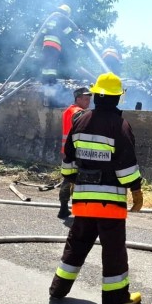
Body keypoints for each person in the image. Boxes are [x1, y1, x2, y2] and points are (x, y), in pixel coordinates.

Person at [49, 72, 144, 304]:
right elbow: (127, 165)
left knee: (76, 244)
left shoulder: (80, 121)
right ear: (117, 98)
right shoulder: (120, 126)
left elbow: (68, 157)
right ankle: (115, 297)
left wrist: (71, 180)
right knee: (113, 250)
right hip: (110, 203)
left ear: (95, 95)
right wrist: (136, 190)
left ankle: (58, 289)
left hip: (82, 200)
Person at [57, 86, 92, 218]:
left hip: (66, 152)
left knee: (67, 179)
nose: (88, 101)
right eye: (85, 99)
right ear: (78, 99)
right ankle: (80, 211)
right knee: (80, 180)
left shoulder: (68, 111)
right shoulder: (79, 113)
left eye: (89, 99)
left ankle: (63, 208)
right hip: (77, 152)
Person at [39, 4, 76, 85]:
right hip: (54, 45)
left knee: (46, 62)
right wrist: (77, 35)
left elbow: (42, 33)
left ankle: (44, 80)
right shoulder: (64, 19)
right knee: (52, 63)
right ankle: (51, 81)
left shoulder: (50, 19)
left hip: (46, 44)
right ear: (67, 13)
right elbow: (68, 32)